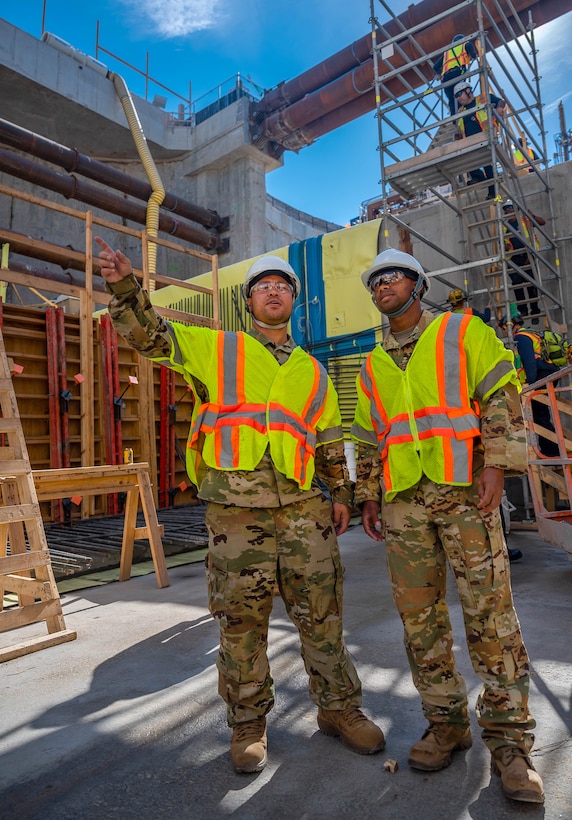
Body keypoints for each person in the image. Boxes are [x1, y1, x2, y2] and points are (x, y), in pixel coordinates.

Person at [94, 238, 385, 774]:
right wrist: (124, 287)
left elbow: (326, 440)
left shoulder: (312, 372)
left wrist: (341, 496)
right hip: (235, 512)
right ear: (248, 303)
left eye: (282, 287)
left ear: (294, 303)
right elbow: (149, 335)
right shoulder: (216, 349)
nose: (273, 293)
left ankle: (340, 710)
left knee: (323, 618)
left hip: (304, 511)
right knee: (240, 622)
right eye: (263, 288)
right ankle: (248, 724)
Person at [351, 248, 544, 804]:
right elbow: (368, 437)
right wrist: (369, 496)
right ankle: (447, 725)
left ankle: (510, 745)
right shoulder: (373, 363)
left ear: (417, 284)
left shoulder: (463, 332)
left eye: (391, 276)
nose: (380, 285)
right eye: (373, 281)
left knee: (491, 616)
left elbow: (501, 395)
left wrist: (501, 466)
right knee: (420, 621)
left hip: (466, 491)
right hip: (403, 503)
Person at [500, 312, 559, 458]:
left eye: (504, 328)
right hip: (547, 374)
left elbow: (530, 363)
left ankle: (551, 451)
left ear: (511, 325)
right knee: (541, 415)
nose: (504, 332)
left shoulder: (521, 337)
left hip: (541, 376)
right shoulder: (529, 334)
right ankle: (550, 450)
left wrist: (531, 385)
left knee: (539, 416)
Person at [455, 81, 507, 199]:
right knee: (467, 160)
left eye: (459, 94)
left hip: (486, 136)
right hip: (470, 142)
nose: (458, 98)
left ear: (468, 91)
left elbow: (501, 101)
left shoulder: (483, 99)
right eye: (456, 96)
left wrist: (499, 108)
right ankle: (478, 176)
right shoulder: (460, 112)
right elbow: (459, 128)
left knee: (489, 165)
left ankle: (493, 192)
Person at [503, 200, 545, 322]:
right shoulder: (504, 226)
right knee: (517, 284)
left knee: (531, 284)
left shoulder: (524, 221)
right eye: (506, 209)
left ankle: (535, 310)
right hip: (513, 258)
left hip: (528, 256)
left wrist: (532, 217)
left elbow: (542, 222)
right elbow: (504, 243)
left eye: (510, 208)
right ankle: (523, 309)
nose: (508, 210)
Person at [432, 34, 478, 116]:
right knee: (460, 94)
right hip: (457, 73)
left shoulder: (447, 53)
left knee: (451, 98)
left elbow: (435, 66)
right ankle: (463, 115)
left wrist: (439, 73)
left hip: (446, 78)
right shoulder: (464, 45)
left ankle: (454, 118)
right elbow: (469, 46)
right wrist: (474, 55)